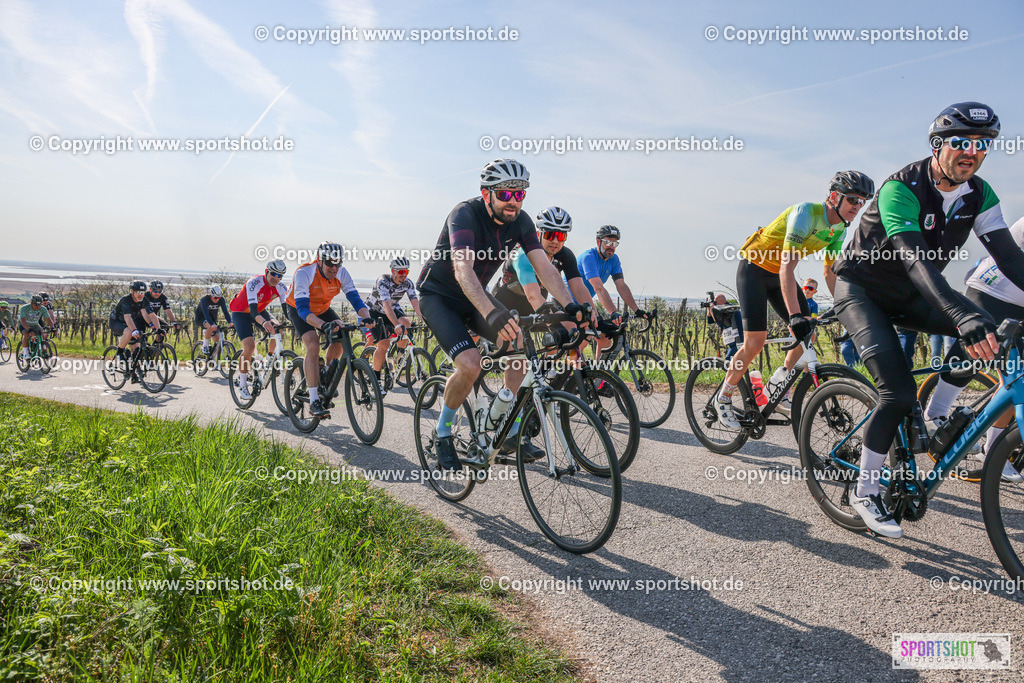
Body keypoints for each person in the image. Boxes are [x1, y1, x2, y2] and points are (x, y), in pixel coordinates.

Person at [831, 102, 1024, 537]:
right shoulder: (901, 187)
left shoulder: (980, 194)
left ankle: (938, 416)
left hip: (912, 294)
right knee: (897, 393)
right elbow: (915, 260)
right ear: (938, 146)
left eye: (981, 144)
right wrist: (960, 314)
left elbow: (1010, 258)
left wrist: (973, 319)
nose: (971, 152)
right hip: (863, 290)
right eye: (960, 142)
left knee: (992, 333)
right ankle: (865, 490)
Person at [417, 158, 586, 470]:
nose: (513, 202)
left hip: (475, 296)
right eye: (506, 194)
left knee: (520, 347)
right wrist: (490, 312)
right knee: (469, 365)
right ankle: (442, 432)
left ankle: (505, 420)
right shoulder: (464, 215)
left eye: (519, 195)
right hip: (439, 296)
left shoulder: (520, 223)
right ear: (487, 194)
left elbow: (545, 269)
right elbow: (462, 268)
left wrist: (571, 306)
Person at [714, 170, 875, 427]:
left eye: (862, 202)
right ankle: (723, 397)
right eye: (853, 200)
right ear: (835, 196)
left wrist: (844, 310)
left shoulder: (838, 230)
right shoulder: (806, 213)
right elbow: (787, 267)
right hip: (754, 269)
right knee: (755, 341)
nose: (858, 207)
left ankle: (777, 387)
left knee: (808, 334)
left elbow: (830, 274)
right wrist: (795, 316)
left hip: (778, 276)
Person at [922, 215, 1024, 483]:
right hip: (994, 291)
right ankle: (935, 411)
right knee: (977, 352)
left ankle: (995, 451)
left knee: (1018, 378)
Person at [283, 243, 374, 418]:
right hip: (298, 308)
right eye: (330, 263)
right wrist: (322, 326)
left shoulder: (341, 272)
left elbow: (355, 298)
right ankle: (314, 399)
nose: (334, 268)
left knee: (341, 333)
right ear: (320, 260)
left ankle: (325, 374)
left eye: (337, 263)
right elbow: (302, 309)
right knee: (313, 344)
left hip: (322, 308)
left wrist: (366, 317)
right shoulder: (304, 273)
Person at [577, 225, 650, 360]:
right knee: (582, 338)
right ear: (598, 242)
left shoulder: (614, 260)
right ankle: (569, 372)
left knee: (605, 337)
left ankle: (598, 377)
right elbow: (598, 288)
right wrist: (613, 312)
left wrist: (637, 310)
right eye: (607, 242)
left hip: (586, 303)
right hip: (568, 301)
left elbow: (621, 285)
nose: (611, 246)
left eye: (614, 243)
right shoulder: (589, 258)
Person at [229, 260, 289, 401]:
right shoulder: (254, 282)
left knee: (278, 329)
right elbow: (254, 310)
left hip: (259, 311)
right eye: (273, 274)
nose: (276, 278)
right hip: (241, 312)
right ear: (266, 271)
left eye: (280, 276)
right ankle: (242, 385)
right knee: (249, 346)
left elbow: (287, 311)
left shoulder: (281, 287)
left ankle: (269, 360)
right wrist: (264, 323)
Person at [365, 257, 424, 396]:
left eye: (406, 272)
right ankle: (376, 380)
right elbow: (385, 306)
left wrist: (426, 319)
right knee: (383, 344)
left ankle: (399, 356)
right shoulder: (383, 281)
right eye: (401, 271)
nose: (404, 275)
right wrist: (395, 324)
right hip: (375, 311)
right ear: (393, 271)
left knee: (407, 323)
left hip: (391, 308)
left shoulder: (408, 283)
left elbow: (415, 303)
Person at [108, 281, 161, 380]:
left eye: (142, 292)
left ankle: (133, 373)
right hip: (117, 321)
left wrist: (158, 329)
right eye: (138, 292)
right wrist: (134, 330)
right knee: (129, 331)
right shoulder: (126, 300)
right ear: (132, 291)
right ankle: (119, 352)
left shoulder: (144, 300)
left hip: (129, 322)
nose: (140, 295)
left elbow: (151, 315)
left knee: (136, 349)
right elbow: (127, 317)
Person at [193, 285, 232, 354]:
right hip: (201, 318)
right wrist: (212, 324)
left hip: (212, 319)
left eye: (218, 298)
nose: (217, 299)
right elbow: (206, 315)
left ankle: (213, 360)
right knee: (210, 326)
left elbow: (225, 312)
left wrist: (230, 322)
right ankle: (205, 345)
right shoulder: (204, 300)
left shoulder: (221, 300)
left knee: (217, 342)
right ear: (211, 295)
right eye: (215, 297)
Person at [706, 294, 744, 362]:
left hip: (737, 340)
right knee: (736, 363)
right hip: (733, 341)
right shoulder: (724, 308)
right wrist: (709, 310)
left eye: (716, 302)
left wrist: (712, 309)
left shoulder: (729, 309)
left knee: (728, 362)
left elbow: (719, 322)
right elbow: (710, 321)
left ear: (721, 301)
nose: (715, 304)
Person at [18, 295, 54, 360]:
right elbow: (23, 320)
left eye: (39, 305)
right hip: (24, 324)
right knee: (26, 334)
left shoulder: (43, 309)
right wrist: (28, 329)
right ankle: (25, 353)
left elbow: (48, 319)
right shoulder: (24, 308)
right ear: (31, 303)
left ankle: (42, 350)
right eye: (36, 304)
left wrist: (52, 327)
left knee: (42, 334)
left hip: (34, 324)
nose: (37, 306)